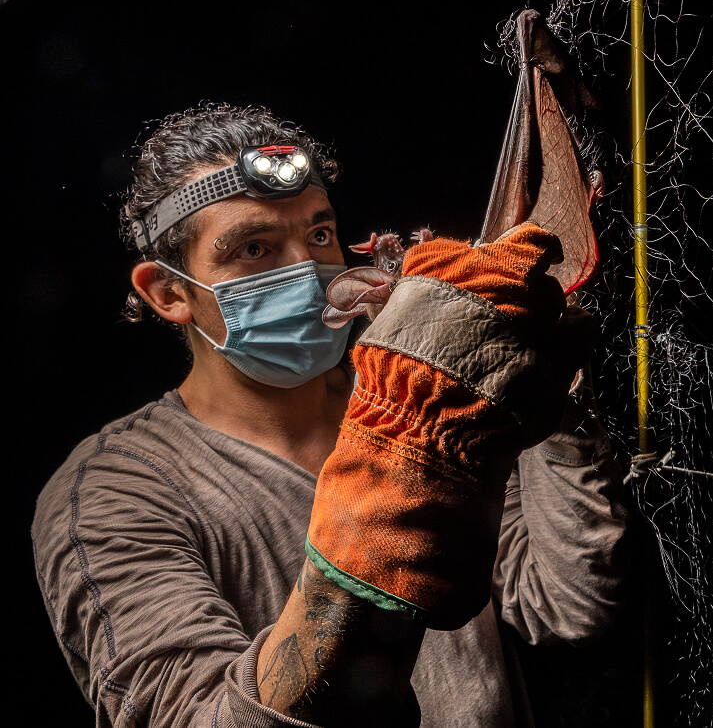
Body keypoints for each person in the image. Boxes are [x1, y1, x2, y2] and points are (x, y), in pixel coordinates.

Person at [32, 103, 627, 728]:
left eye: (318, 235)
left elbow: (565, 604)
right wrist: (398, 447)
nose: (307, 271)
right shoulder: (114, 494)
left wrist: (551, 399)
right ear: (169, 292)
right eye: (254, 248)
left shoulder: (430, 402)